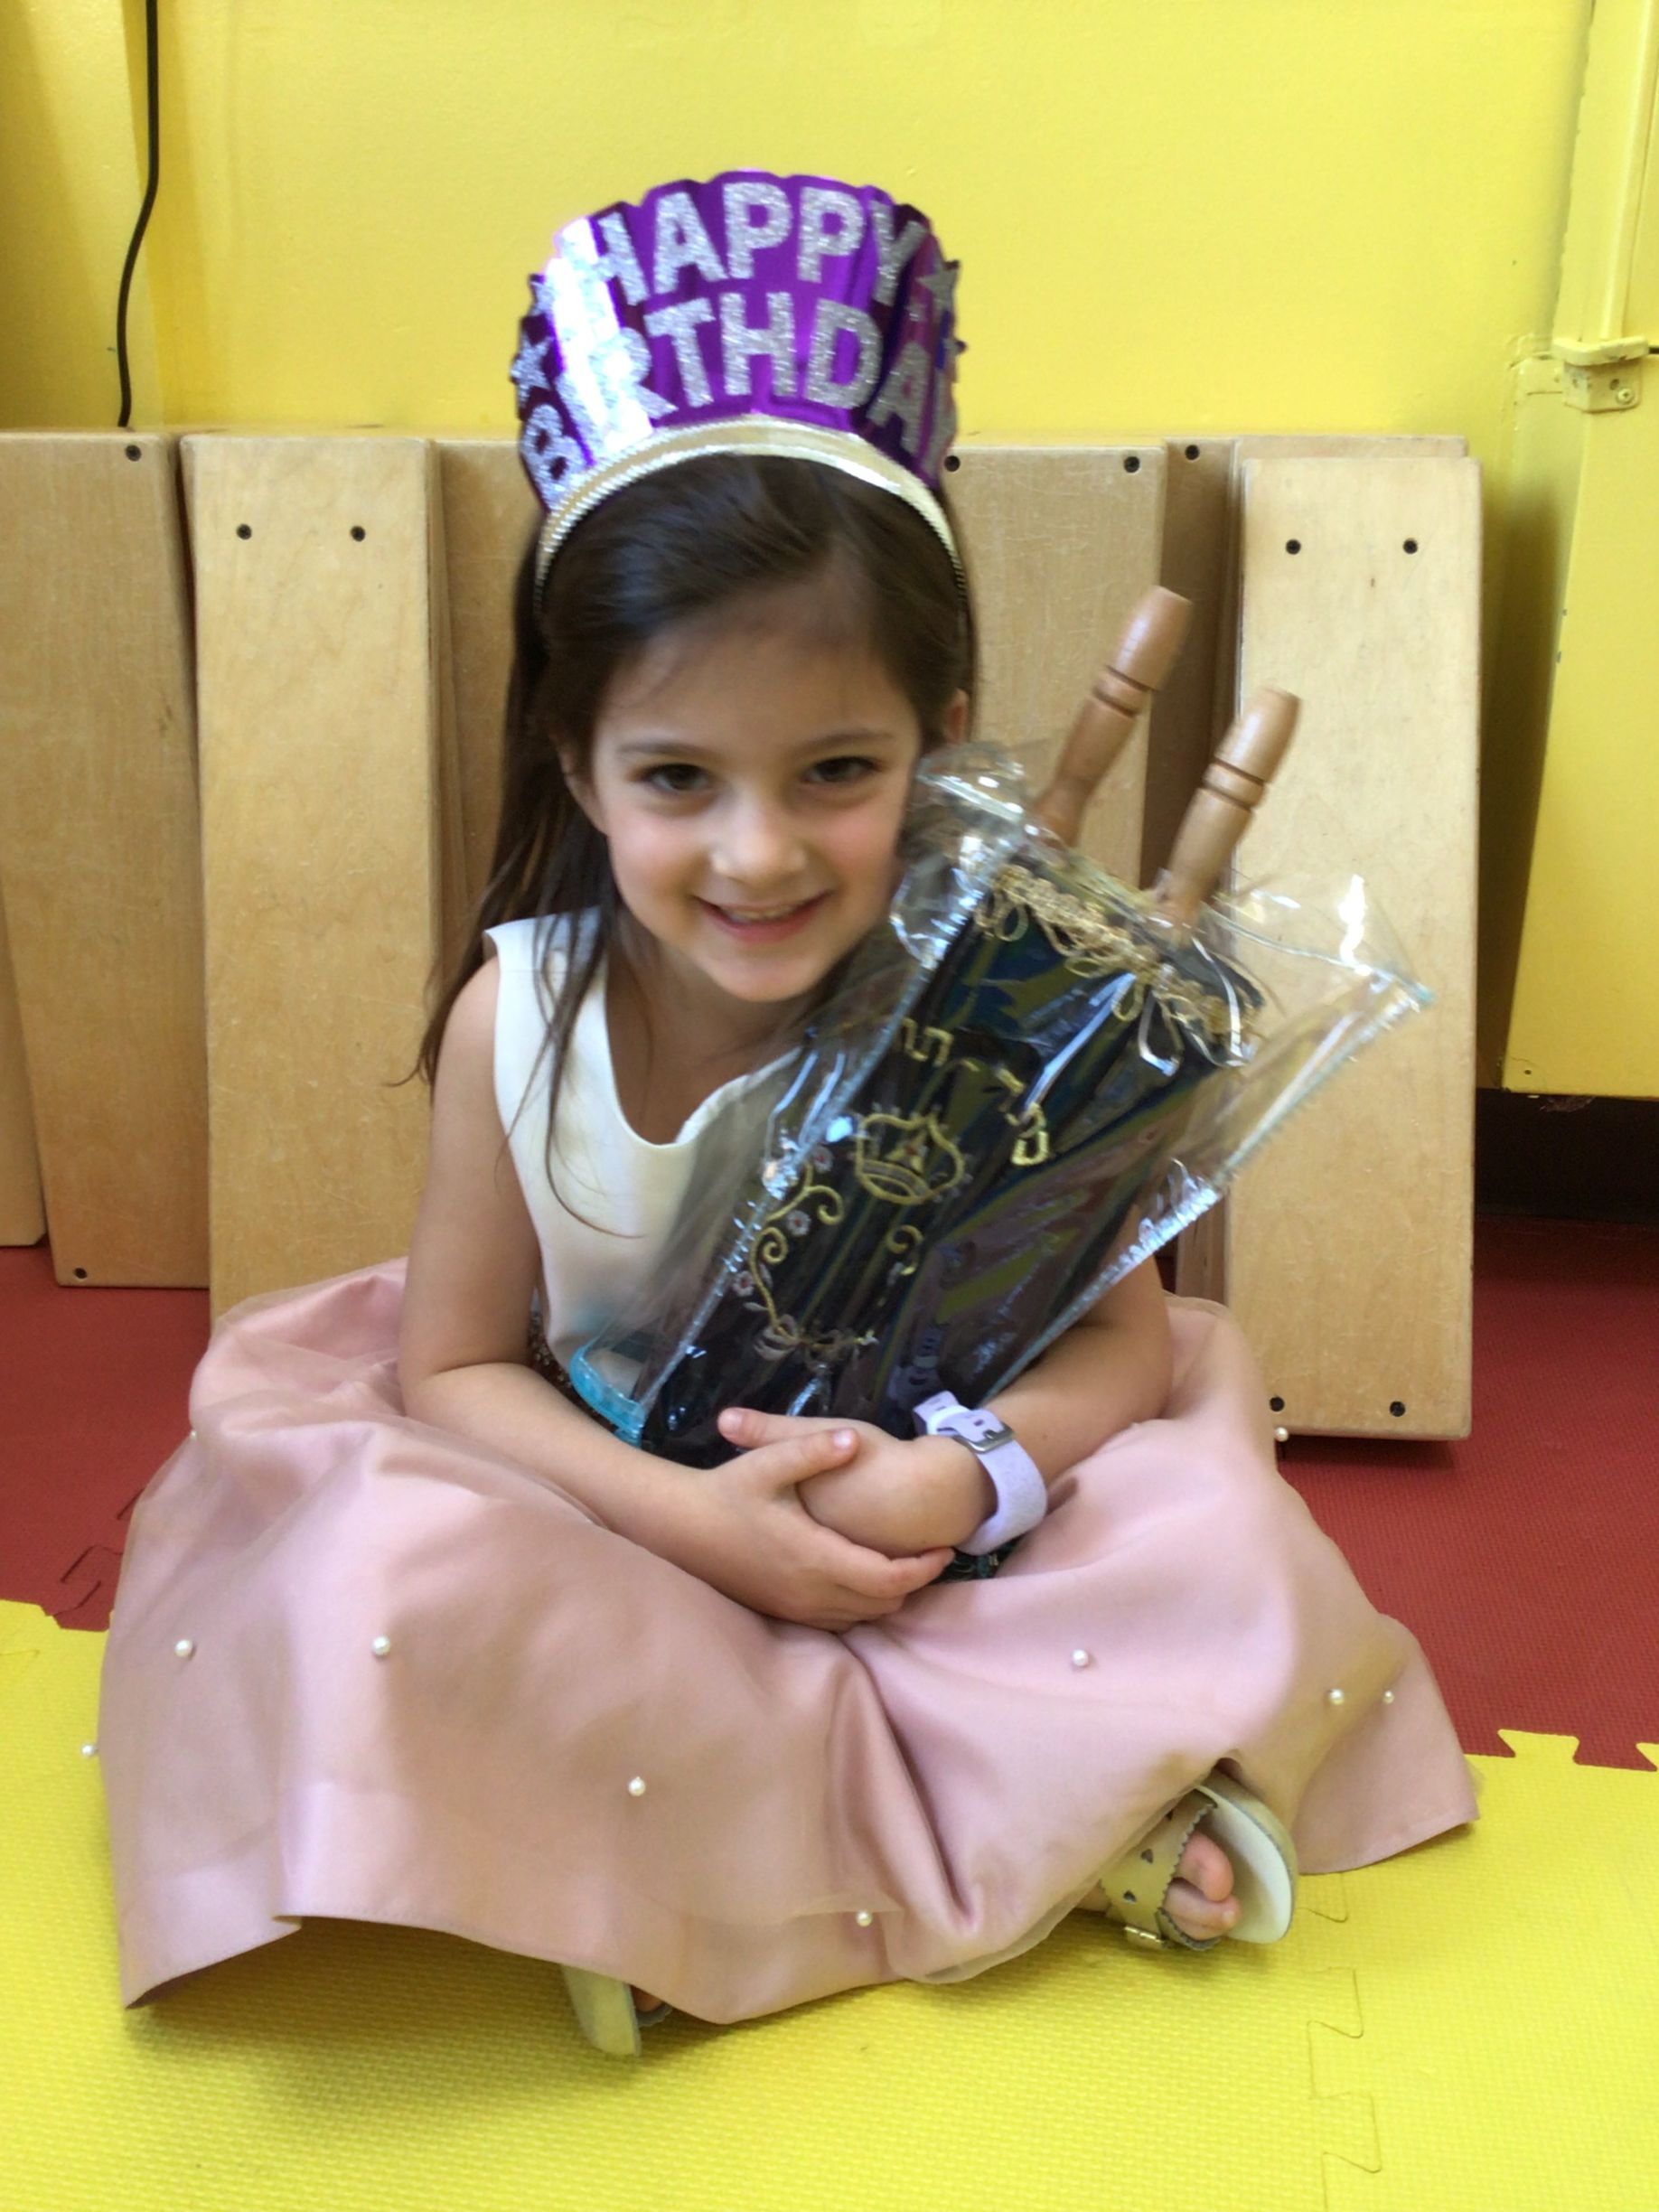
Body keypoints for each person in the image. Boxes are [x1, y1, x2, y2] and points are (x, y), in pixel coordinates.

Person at [98, 171, 1478, 2057]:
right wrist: (694, 1524)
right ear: (576, 761)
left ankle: (720, 1862)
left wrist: (972, 1478)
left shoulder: (1009, 1000)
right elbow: (449, 1374)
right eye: (680, 776)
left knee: (1200, 1531)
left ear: (943, 734)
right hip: (614, 1500)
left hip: (934, 1510)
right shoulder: (532, 1012)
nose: (759, 853)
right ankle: (1004, 1839)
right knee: (386, 1572)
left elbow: (1118, 1357)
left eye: (837, 771)